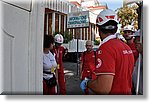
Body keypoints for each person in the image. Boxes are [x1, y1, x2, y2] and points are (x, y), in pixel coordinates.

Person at [80, 9, 134, 94]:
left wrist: (87, 83)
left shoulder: (105, 49)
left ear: (98, 29)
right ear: (116, 28)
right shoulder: (126, 47)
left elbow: (103, 88)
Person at [132, 29, 143, 95]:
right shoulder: (140, 55)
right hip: (137, 90)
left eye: (136, 38)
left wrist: (143, 52)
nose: (134, 41)